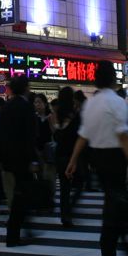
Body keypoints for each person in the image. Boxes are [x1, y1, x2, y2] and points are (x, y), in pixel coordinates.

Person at [66, 61, 128, 256]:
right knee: (113, 206)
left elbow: (83, 135)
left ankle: (127, 248)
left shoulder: (91, 103)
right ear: (113, 79)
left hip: (97, 157)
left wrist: (73, 160)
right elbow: (123, 136)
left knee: (114, 201)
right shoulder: (117, 103)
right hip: (114, 157)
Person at [0, 76, 39, 247]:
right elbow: (29, 136)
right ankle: (14, 235)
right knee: (21, 194)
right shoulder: (26, 107)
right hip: (22, 158)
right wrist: (33, 159)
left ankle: (20, 229)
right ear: (24, 88)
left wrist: (0, 158)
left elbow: (0, 134)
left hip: (9, 158)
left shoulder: (7, 107)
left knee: (19, 193)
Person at [53, 88, 83, 227]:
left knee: (64, 187)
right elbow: (79, 136)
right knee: (79, 183)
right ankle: (69, 208)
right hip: (73, 154)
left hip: (60, 154)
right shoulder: (75, 115)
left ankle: (65, 215)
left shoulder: (55, 115)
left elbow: (54, 134)